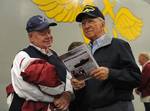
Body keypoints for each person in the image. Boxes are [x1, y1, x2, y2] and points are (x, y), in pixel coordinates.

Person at [70, 5, 141, 111]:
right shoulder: (84, 52)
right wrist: (79, 85)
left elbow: (136, 78)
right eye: (83, 23)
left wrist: (110, 73)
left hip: (117, 106)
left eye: (90, 21)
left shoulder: (118, 45)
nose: (86, 26)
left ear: (102, 24)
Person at [6, 15, 73, 111]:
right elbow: (25, 89)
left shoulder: (53, 54)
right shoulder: (23, 56)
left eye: (49, 32)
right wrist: (54, 99)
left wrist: (67, 95)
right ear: (31, 37)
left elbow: (68, 77)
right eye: (42, 33)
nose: (48, 36)